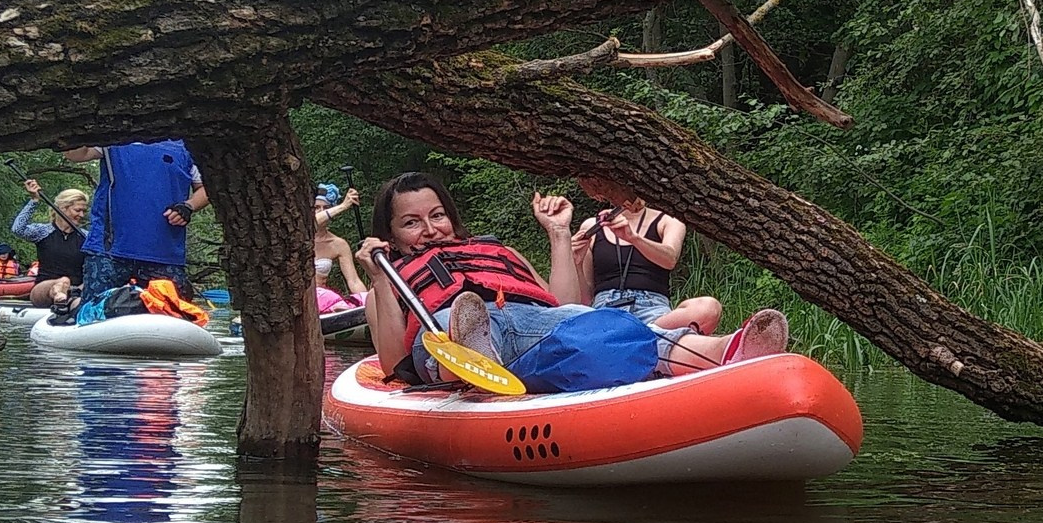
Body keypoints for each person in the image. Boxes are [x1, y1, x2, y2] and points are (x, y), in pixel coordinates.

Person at [357, 171, 783, 388]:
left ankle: (720, 351)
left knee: (595, 321)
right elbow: (394, 362)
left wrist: (559, 233)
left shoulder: (493, 250)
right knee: (473, 319)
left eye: (437, 216)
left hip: (529, 321)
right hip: (446, 328)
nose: (430, 230)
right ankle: (468, 357)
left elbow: (556, 302)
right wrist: (378, 278)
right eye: (412, 223)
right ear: (390, 233)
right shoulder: (389, 273)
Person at [556, 180, 723, 335]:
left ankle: (639, 335)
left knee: (708, 308)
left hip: (653, 312)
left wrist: (633, 238)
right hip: (605, 310)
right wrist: (576, 263)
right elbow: (585, 299)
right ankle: (644, 337)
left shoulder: (667, 220)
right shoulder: (591, 226)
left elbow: (670, 258)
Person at [67, 140, 207, 298]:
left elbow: (207, 187)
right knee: (94, 310)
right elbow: (76, 154)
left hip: (163, 252)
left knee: (169, 314)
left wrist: (188, 206)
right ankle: (71, 307)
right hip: (108, 250)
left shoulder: (188, 144)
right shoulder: (112, 135)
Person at [12, 177, 89, 306]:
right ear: (63, 209)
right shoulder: (43, 232)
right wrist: (34, 200)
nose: (81, 215)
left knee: (78, 285)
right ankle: (60, 297)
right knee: (63, 281)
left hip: (75, 291)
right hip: (43, 289)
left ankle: (70, 302)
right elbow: (18, 229)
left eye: (83, 211)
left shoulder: (86, 237)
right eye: (77, 210)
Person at [313, 183, 365, 301]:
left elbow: (353, 281)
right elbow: (312, 222)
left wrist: (367, 301)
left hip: (323, 300)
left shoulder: (338, 244)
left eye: (326, 208)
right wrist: (343, 206)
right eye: (316, 208)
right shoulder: (297, 238)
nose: (320, 211)